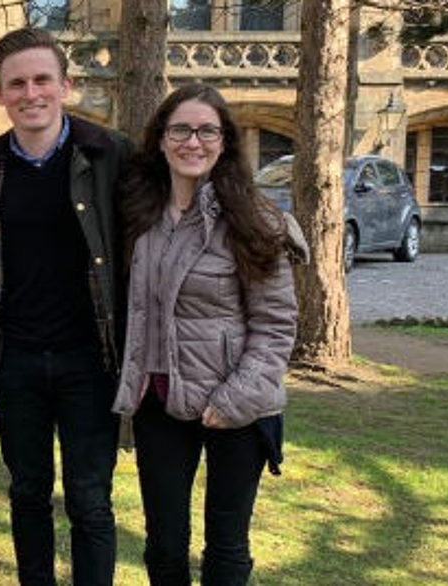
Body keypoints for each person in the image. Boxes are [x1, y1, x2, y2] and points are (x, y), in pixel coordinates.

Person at [0, 27, 131, 586]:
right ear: (0, 93)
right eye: (16, 84)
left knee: (90, 499)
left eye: (41, 80)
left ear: (66, 84)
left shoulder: (110, 153)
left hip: (90, 360)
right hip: (16, 363)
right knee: (28, 492)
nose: (30, 93)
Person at [112, 84, 302, 586]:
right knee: (164, 544)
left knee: (226, 543)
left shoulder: (255, 220)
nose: (192, 142)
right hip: (160, 398)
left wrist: (237, 397)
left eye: (206, 131)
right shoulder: (139, 216)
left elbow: (276, 323)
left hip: (236, 406)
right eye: (180, 130)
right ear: (160, 139)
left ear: (224, 142)